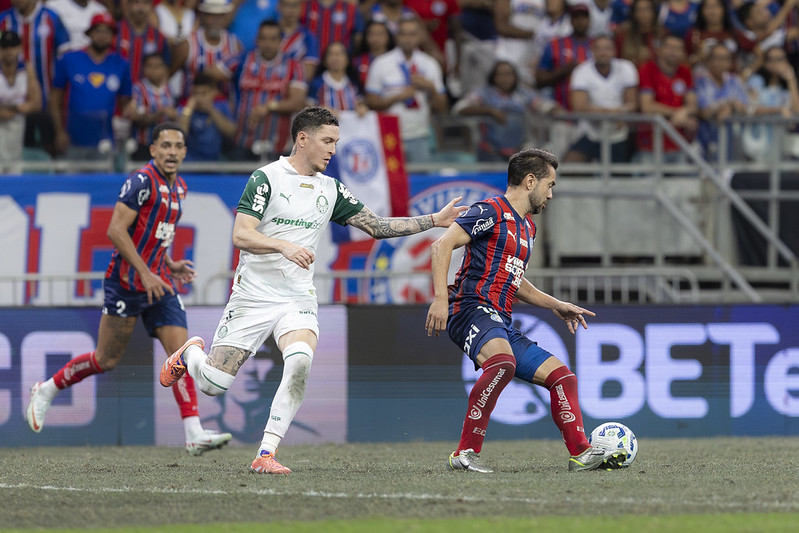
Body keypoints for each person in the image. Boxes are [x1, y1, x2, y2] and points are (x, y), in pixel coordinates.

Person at [159, 106, 467, 475]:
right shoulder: (266, 178)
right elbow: (241, 235)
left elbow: (378, 226)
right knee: (213, 384)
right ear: (302, 138)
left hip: (297, 296)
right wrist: (283, 245)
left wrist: (434, 220)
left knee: (300, 361)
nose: (333, 150)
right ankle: (191, 355)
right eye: (327, 141)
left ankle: (266, 453)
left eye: (336, 142)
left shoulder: (330, 188)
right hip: (253, 294)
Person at [26, 122, 233, 456]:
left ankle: (194, 432)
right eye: (164, 145)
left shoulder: (179, 188)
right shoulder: (141, 181)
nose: (171, 152)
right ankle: (47, 389)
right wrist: (145, 272)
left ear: (184, 152)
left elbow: (153, 235)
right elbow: (116, 231)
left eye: (177, 146)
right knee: (106, 359)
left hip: (158, 284)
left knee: (179, 356)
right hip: (125, 283)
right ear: (153, 150)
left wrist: (168, 263)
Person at [424, 148, 628, 473]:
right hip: (470, 308)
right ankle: (464, 453)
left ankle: (581, 454)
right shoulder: (489, 210)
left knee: (563, 378)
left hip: (500, 320)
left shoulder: (528, 228)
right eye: (550, 185)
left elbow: (515, 281)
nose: (551, 194)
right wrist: (440, 298)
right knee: (502, 362)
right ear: (530, 181)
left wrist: (556, 305)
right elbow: (442, 245)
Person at [364, 16, 448, 164]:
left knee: (421, 182)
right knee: (393, 184)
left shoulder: (430, 64)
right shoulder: (381, 63)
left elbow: (442, 108)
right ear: (397, 36)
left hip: (420, 135)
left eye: (412, 34)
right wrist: (397, 97)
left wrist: (431, 88)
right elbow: (371, 102)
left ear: (419, 36)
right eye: (403, 34)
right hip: (389, 136)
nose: (408, 39)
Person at [50, 12, 132, 159]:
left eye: (107, 31)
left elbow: (125, 103)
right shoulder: (69, 59)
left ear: (113, 35)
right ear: (90, 33)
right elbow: (55, 99)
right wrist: (59, 132)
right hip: (72, 140)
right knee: (69, 182)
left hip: (105, 142)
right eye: (98, 30)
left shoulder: (121, 64)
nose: (102, 35)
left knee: (103, 182)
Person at [563, 34, 638, 163]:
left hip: (617, 134)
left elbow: (632, 103)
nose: (603, 52)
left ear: (614, 50)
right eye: (599, 48)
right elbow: (579, 107)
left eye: (607, 48)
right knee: (571, 165)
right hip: (590, 132)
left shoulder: (626, 68)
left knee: (619, 177)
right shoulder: (581, 71)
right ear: (592, 50)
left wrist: (612, 112)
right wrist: (614, 113)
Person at [0, 29, 41, 173]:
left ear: (19, 48)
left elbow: (36, 103)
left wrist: (10, 108)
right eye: (4, 47)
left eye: (12, 47)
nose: (8, 51)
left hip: (18, 123)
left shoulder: (26, 68)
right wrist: (18, 107)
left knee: (15, 166)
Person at [178, 72, 236, 161]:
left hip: (216, 161)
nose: (200, 98)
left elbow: (231, 132)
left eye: (204, 93)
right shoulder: (185, 109)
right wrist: (188, 111)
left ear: (214, 92)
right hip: (190, 162)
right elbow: (180, 137)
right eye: (196, 93)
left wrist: (212, 111)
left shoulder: (222, 106)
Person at [129, 52, 177, 159]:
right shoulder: (138, 88)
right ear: (144, 69)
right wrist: (159, 113)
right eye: (149, 66)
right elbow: (136, 118)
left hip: (166, 145)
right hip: (144, 145)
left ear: (164, 69)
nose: (153, 70)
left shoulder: (170, 88)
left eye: (157, 66)